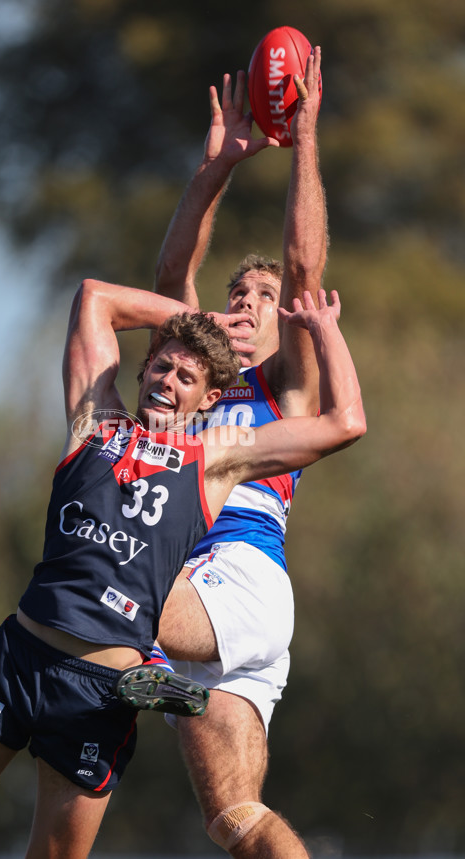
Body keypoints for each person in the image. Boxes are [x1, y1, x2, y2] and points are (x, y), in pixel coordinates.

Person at [0, 266, 364, 857]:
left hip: (97, 697)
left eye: (188, 376)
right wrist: (199, 324)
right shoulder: (95, 420)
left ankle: (158, 666)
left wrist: (324, 331)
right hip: (16, 663)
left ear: (210, 399)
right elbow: (94, 298)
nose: (169, 380)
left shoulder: (215, 459)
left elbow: (345, 423)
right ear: (142, 372)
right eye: (162, 366)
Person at [147, 48, 334, 856]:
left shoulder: (284, 385)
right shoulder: (195, 386)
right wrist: (215, 169)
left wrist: (307, 138)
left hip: (238, 579)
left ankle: (129, 650)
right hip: (214, 610)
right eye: (237, 294)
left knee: (92, 586)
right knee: (237, 822)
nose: (247, 305)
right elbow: (170, 273)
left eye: (262, 299)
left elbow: (301, 269)